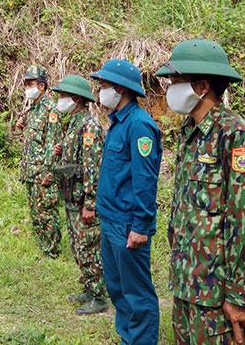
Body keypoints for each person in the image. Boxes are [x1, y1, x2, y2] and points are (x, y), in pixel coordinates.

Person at [156, 39, 245, 345]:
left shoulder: (236, 136)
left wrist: (240, 295)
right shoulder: (190, 132)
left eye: (176, 82)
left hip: (217, 294)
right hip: (187, 283)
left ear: (201, 86)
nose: (170, 90)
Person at [90, 59, 162, 344]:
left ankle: (141, 340)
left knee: (136, 292)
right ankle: (127, 338)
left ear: (119, 88)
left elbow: (145, 180)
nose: (102, 90)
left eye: (105, 85)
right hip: (110, 220)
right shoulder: (117, 122)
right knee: (118, 288)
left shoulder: (139, 126)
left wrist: (140, 226)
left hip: (127, 224)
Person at [51, 74, 110, 315]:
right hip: (72, 198)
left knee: (88, 248)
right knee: (78, 247)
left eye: (63, 95)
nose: (60, 99)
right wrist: (61, 151)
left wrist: (90, 203)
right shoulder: (73, 122)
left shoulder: (89, 125)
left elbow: (92, 167)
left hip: (83, 201)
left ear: (75, 98)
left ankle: (98, 296)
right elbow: (75, 160)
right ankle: (89, 287)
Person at [15, 65, 63, 259]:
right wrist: (21, 126)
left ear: (42, 86)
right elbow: (33, 138)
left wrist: (48, 173)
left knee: (46, 213)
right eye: (25, 84)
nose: (27, 88)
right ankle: (44, 245)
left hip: (42, 173)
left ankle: (52, 251)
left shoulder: (51, 110)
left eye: (31, 84)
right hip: (30, 171)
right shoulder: (32, 109)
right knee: (36, 213)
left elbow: (53, 144)